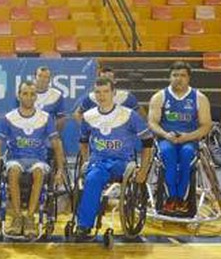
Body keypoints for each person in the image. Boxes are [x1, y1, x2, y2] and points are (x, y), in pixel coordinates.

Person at [75, 77, 153, 241]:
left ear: (113, 93)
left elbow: (148, 142)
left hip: (123, 163)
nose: (101, 96)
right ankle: (84, 225)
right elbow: (83, 141)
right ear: (94, 95)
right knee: (92, 178)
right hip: (98, 162)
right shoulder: (88, 116)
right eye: (98, 92)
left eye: (105, 92)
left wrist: (144, 170)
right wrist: (86, 160)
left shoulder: (128, 115)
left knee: (101, 175)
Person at [0, 80, 66, 237]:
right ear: (18, 95)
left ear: (36, 97)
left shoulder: (45, 118)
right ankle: (17, 217)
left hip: (38, 160)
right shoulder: (9, 118)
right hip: (15, 158)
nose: (28, 97)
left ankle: (30, 218)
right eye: (25, 93)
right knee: (13, 170)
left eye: (32, 94)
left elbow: (56, 144)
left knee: (39, 171)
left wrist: (60, 170)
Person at [147, 61, 212, 215]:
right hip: (166, 139)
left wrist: (188, 136)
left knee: (186, 155)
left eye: (182, 75)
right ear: (170, 77)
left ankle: (182, 199)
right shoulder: (159, 96)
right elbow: (152, 122)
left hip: (189, 139)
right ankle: (171, 199)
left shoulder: (199, 98)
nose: (178, 79)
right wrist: (165, 134)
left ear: (188, 78)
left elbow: (206, 125)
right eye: (175, 75)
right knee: (168, 155)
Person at [73, 66, 142, 121]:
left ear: (115, 81)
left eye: (109, 78)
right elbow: (77, 114)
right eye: (103, 78)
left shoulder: (126, 97)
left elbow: (140, 116)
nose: (105, 80)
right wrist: (87, 127)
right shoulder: (91, 98)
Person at [33, 66, 67, 132]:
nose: (42, 79)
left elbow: (61, 119)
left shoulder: (57, 95)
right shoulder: (25, 93)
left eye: (46, 77)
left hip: (48, 136)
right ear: (34, 77)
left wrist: (54, 135)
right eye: (40, 76)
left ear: (49, 80)